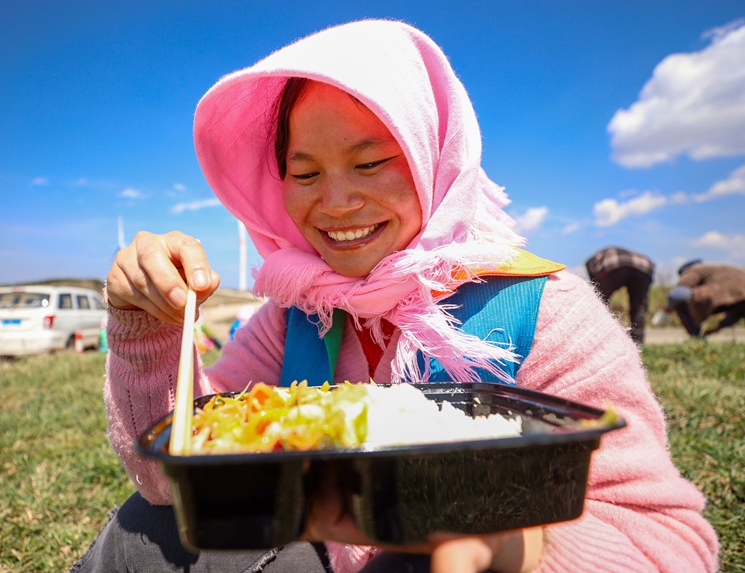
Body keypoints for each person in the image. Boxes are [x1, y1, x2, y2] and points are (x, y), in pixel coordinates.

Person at [72, 20, 718, 573]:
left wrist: (515, 542)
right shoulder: (297, 318)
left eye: (370, 162)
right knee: (141, 529)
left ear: (432, 154)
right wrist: (147, 329)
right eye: (304, 172)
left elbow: (670, 542)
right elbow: (170, 481)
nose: (335, 202)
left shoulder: (543, 314)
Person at [584, 247, 654, 344]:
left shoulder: (592, 261)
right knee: (639, 306)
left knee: (599, 301)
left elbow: (595, 283)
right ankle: (638, 342)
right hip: (645, 267)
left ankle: (599, 337)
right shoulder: (615, 252)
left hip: (615, 265)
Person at [666, 259, 745, 337]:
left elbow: (678, 292)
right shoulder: (720, 269)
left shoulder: (695, 269)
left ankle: (696, 336)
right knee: (740, 307)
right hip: (740, 297)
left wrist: (669, 307)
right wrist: (718, 328)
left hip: (718, 297)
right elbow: (737, 311)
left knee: (680, 304)